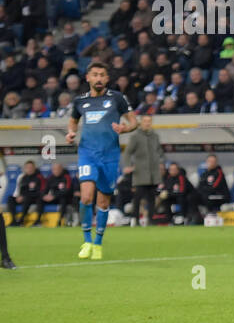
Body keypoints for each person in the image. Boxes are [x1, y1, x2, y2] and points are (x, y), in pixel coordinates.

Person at [68, 61, 137, 259]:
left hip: (110, 155)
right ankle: (87, 241)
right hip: (87, 153)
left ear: (107, 79)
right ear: (87, 78)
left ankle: (98, 243)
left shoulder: (117, 98)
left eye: (102, 75)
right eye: (95, 75)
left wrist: (125, 128)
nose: (98, 78)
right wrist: (71, 133)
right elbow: (73, 121)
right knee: (86, 197)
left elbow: (134, 122)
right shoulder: (80, 101)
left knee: (103, 201)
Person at [122, 111, 163, 226]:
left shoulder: (155, 136)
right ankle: (135, 219)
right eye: (145, 121)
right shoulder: (135, 136)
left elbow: (159, 151)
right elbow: (128, 152)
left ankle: (151, 219)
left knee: (152, 198)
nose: (147, 123)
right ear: (141, 123)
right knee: (138, 197)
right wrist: (127, 166)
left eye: (149, 121)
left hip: (153, 172)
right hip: (140, 172)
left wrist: (162, 161)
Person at [9, 160, 44, 225]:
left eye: (31, 167)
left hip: (34, 197)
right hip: (24, 197)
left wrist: (24, 196)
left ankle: (22, 220)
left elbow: (41, 191)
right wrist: (19, 196)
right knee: (10, 198)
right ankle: (14, 220)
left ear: (34, 168)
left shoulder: (39, 177)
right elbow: (20, 189)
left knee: (28, 198)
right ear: (25, 169)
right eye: (27, 167)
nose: (29, 169)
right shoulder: (23, 178)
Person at [42, 161, 76, 225]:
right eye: (54, 169)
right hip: (54, 198)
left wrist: (54, 196)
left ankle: (61, 220)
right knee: (40, 199)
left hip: (65, 198)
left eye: (58, 169)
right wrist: (44, 196)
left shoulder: (67, 177)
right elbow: (45, 189)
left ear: (61, 169)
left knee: (63, 199)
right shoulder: (50, 178)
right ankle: (39, 219)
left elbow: (68, 190)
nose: (56, 171)